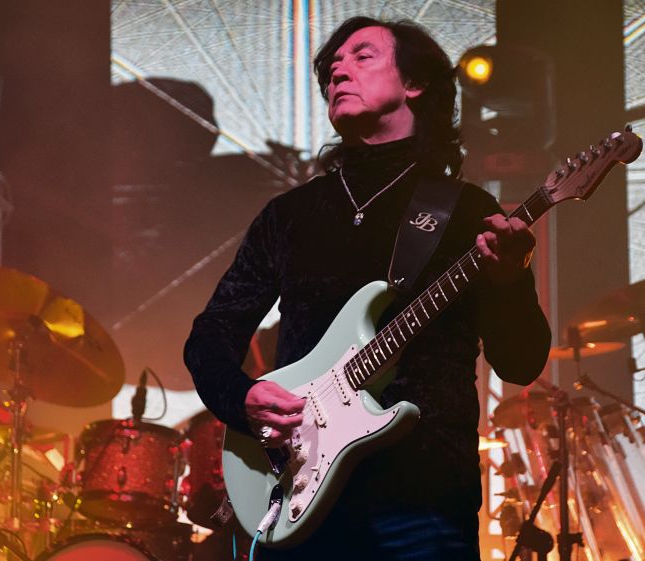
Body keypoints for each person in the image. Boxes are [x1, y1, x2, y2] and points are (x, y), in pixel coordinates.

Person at [184, 16, 551, 561]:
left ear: (414, 84)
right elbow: (213, 332)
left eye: (361, 56)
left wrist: (510, 282)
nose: (338, 71)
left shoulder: (465, 211)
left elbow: (521, 363)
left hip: (421, 500)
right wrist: (240, 398)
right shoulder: (291, 215)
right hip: (298, 497)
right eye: (333, 65)